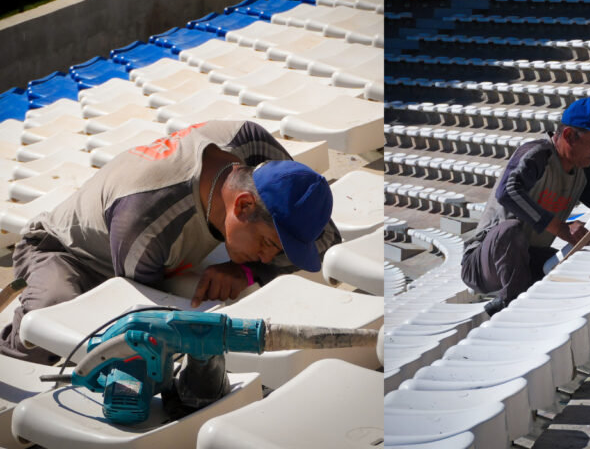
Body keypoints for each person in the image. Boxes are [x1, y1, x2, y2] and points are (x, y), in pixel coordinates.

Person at [0, 120, 341, 364]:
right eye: (267, 243)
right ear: (243, 205)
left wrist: (249, 272)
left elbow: (327, 238)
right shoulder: (147, 215)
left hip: (140, 256)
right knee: (52, 334)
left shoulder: (253, 147)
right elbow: (137, 321)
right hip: (65, 252)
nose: (268, 257)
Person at [461, 97, 590, 317]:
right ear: (568, 135)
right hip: (482, 264)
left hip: (529, 259)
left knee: (571, 267)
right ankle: (509, 306)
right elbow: (507, 191)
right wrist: (563, 229)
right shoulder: (537, 154)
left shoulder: (583, 168)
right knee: (510, 230)